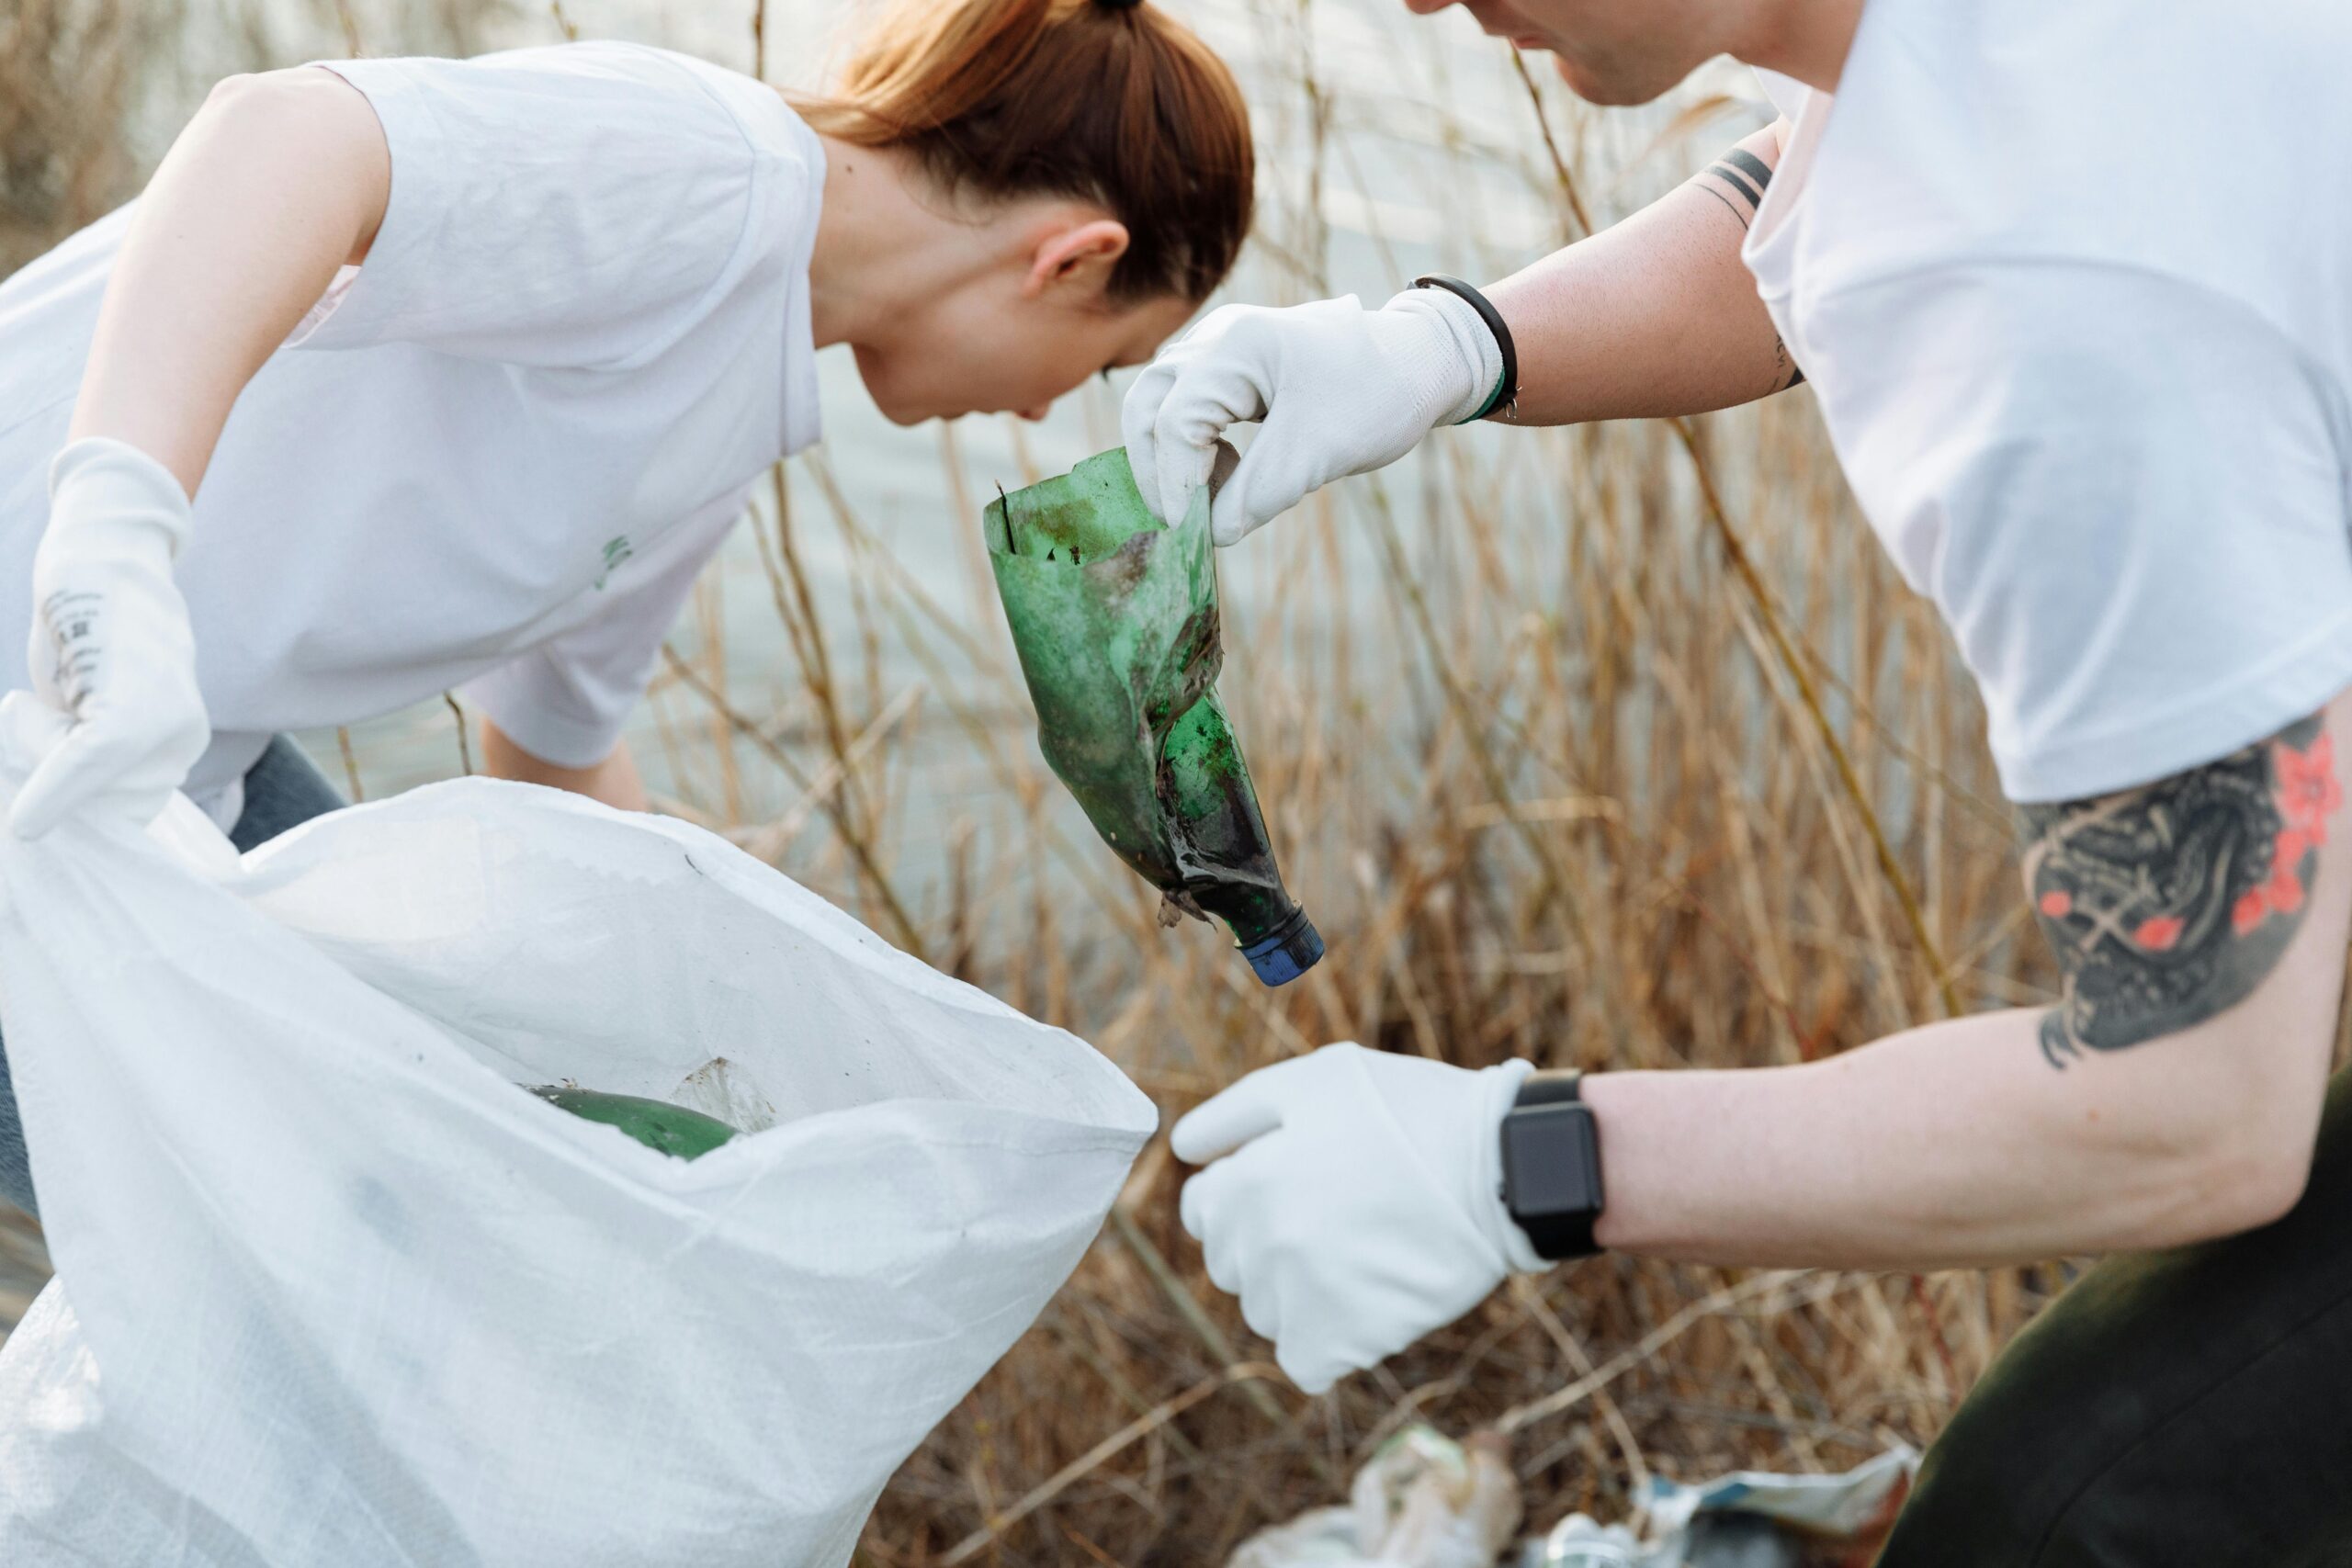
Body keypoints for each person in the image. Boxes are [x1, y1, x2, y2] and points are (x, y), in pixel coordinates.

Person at [1133, 0, 2352, 1560]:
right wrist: (1443, 346)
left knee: (2061, 1504)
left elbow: (2194, 1107)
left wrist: (1519, 1164)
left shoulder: (2065, 305)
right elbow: (1850, 177)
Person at [0, 0, 1253, 1219]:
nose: (1049, 412)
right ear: (1073, 258)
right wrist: (117, 519)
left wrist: (727, 1004)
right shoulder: (709, 175)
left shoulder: (735, 399)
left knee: (420, 1163)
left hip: (141, 771)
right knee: (331, 1203)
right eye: (1105, 364)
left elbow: (550, 745)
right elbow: (285, 132)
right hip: (45, 692)